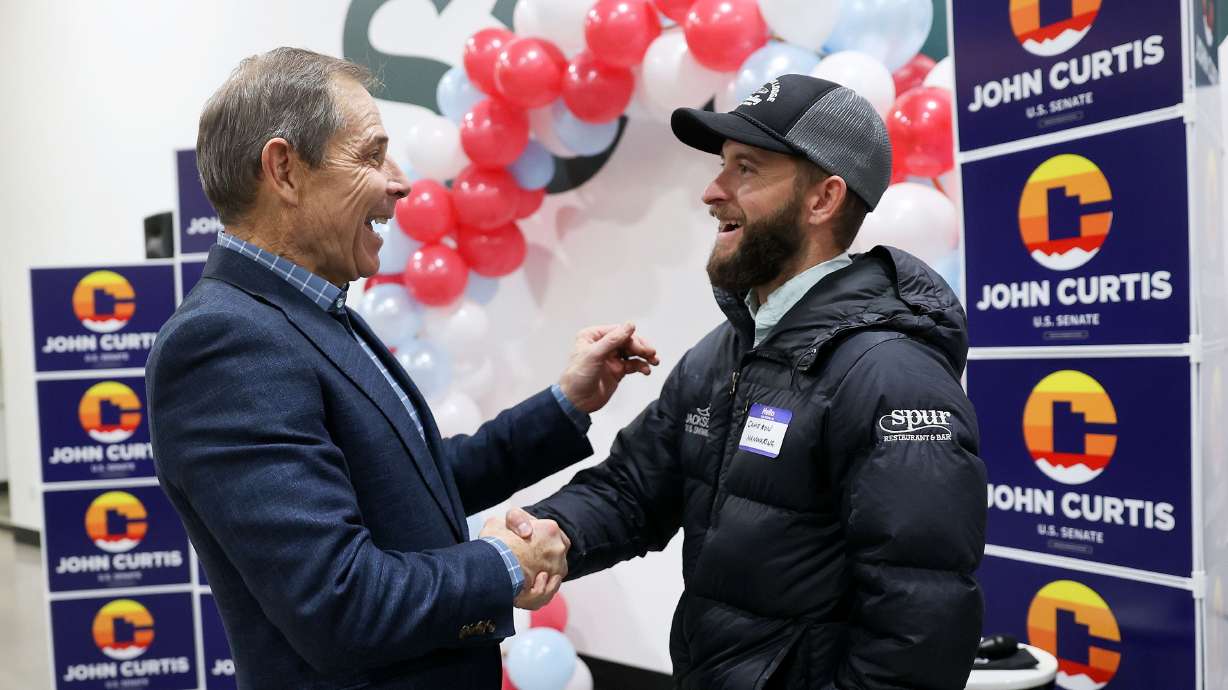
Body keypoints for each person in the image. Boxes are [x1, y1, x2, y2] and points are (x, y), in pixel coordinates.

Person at [146, 47, 657, 690]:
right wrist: (506, 562)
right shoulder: (225, 344)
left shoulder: (309, 310)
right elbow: (339, 602)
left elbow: (413, 483)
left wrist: (564, 403)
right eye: (369, 154)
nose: (401, 181)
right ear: (284, 169)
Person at [505, 74, 988, 689]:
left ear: (823, 200)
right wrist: (549, 534)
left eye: (746, 169)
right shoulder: (725, 352)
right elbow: (634, 489)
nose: (713, 191)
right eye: (722, 166)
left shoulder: (894, 377)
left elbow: (919, 629)